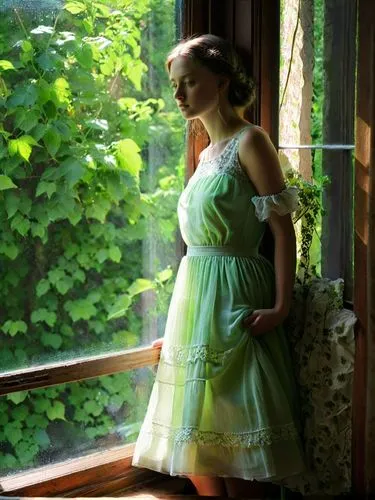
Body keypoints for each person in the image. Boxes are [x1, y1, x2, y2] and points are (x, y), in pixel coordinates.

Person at [132, 34, 306, 498]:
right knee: (199, 453)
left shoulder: (251, 141)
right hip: (197, 299)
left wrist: (281, 307)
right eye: (175, 84)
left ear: (222, 81)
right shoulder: (207, 154)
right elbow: (198, 251)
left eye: (189, 82)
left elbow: (282, 232)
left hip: (236, 296)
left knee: (237, 446)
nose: (178, 94)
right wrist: (182, 328)